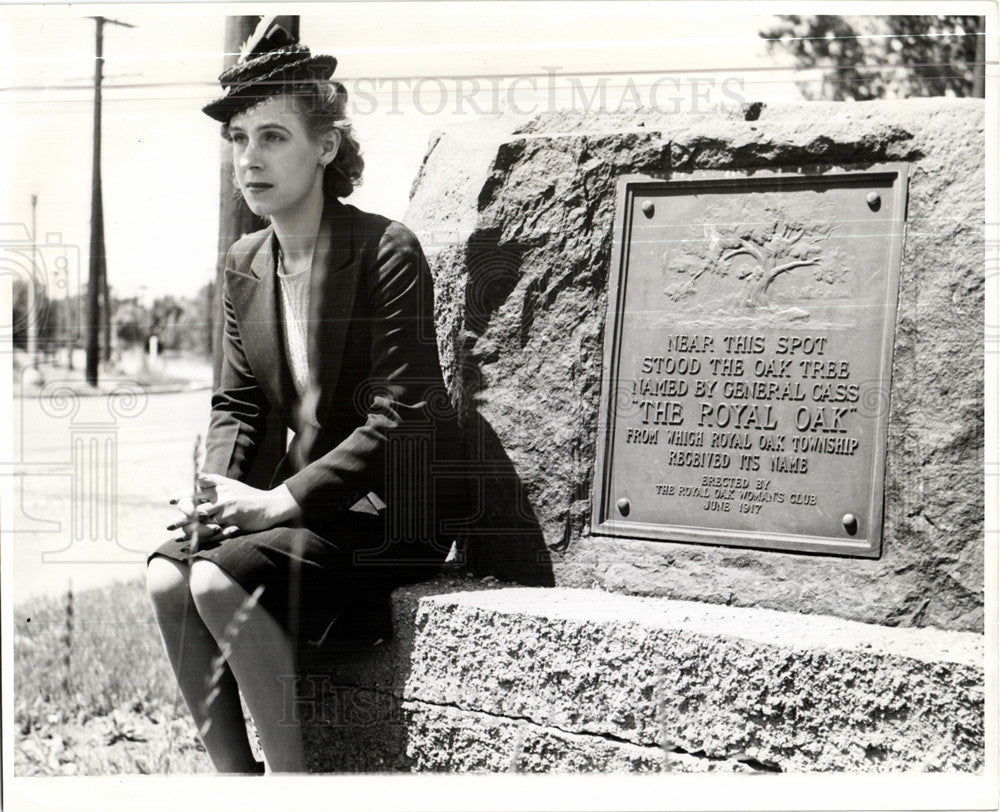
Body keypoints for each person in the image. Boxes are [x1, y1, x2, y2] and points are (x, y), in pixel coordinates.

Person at [145, 19, 465, 774]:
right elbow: (240, 407)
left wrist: (276, 502)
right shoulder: (245, 261)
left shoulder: (386, 249)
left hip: (388, 512)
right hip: (295, 507)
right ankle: (234, 775)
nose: (248, 159)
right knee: (167, 573)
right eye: (239, 139)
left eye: (273, 137)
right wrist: (215, 496)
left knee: (219, 579)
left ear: (325, 147)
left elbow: (402, 414)